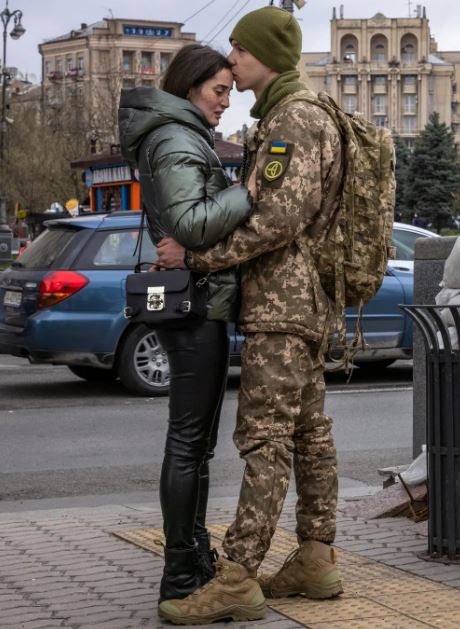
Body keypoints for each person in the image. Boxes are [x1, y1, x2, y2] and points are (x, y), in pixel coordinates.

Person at [154, 7, 345, 625]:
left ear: (265, 55)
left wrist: (200, 254)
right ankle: (316, 558)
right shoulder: (293, 116)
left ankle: (236, 577)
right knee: (308, 432)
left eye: (238, 49)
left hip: (282, 305)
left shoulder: (293, 120)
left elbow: (278, 218)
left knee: (263, 438)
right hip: (304, 301)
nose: (230, 60)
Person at [117, 45, 253, 608]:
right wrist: (249, 194)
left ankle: (193, 557)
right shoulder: (176, 138)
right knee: (189, 444)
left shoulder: (179, 133)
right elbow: (192, 225)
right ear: (192, 84)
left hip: (196, 300)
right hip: (196, 307)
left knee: (193, 447)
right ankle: (181, 572)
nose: (226, 101)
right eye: (219, 90)